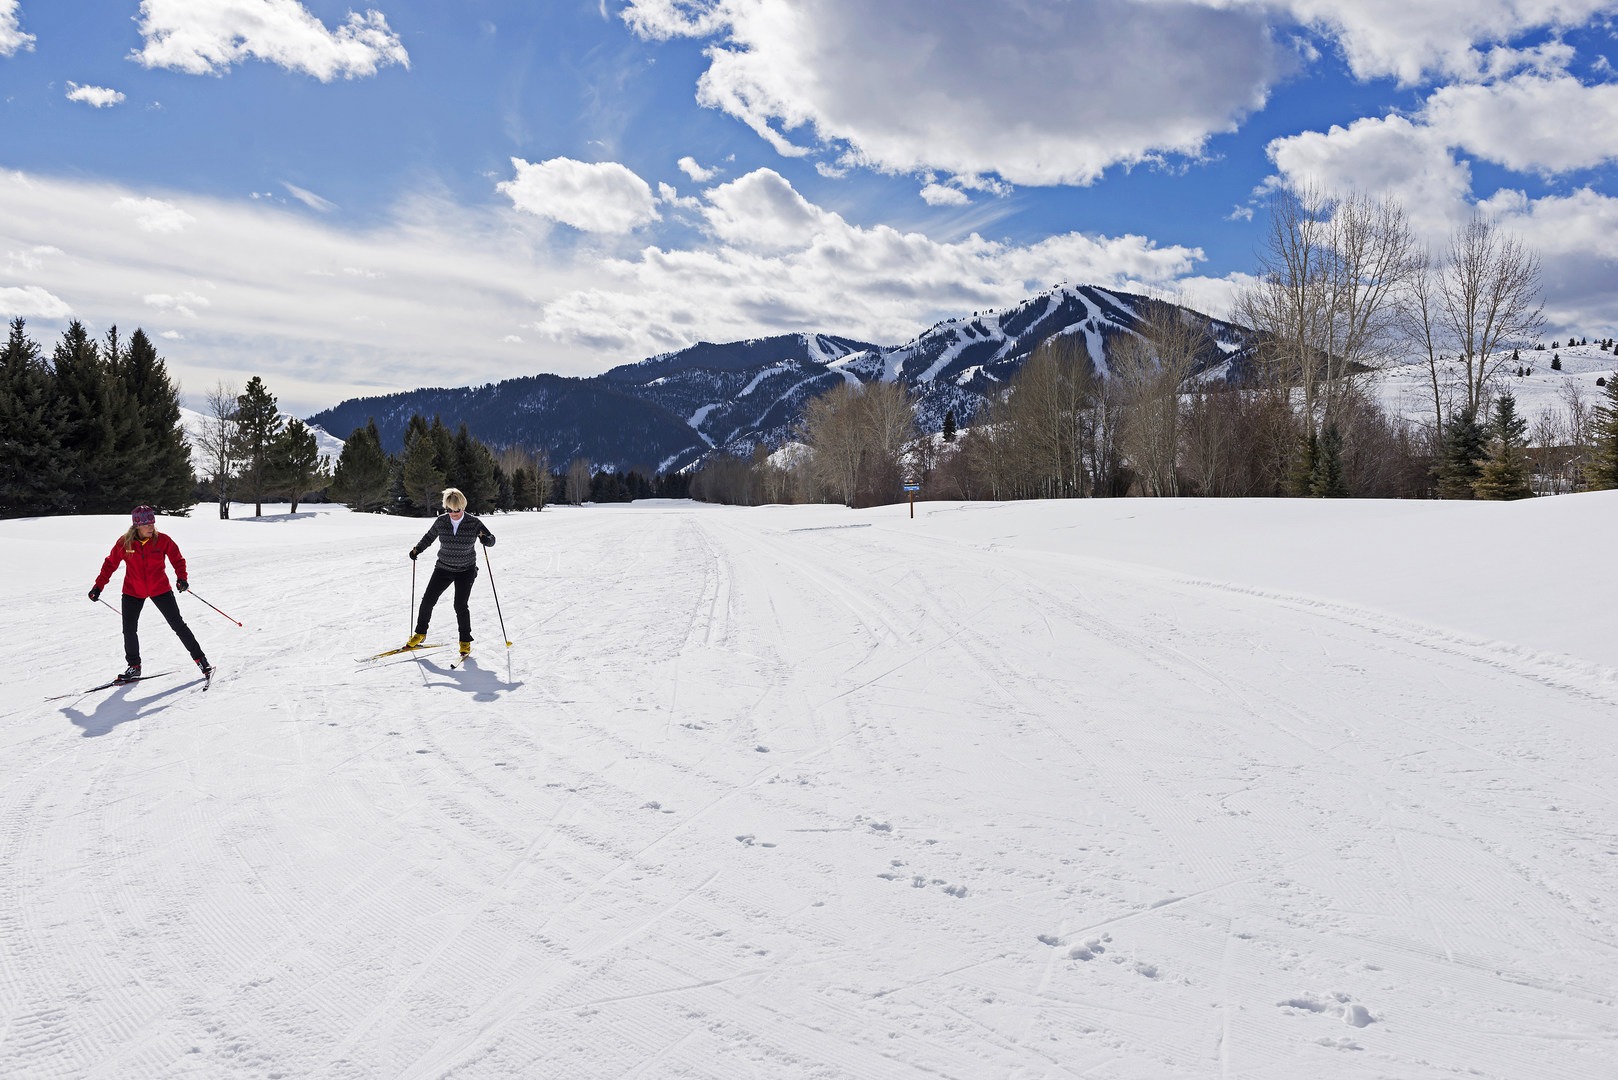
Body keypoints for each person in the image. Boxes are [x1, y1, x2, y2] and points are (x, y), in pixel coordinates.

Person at [90, 505, 213, 683]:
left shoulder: (162, 540)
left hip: (160, 588)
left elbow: (177, 559)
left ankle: (201, 660)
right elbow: (110, 564)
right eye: (147, 524)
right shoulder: (125, 543)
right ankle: (134, 667)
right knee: (129, 630)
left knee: (178, 625)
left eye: (152, 523)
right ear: (137, 526)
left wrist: (182, 578)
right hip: (133, 591)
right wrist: (98, 586)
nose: (151, 527)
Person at [405, 488, 495, 658]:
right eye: (449, 510)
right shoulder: (441, 522)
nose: (453, 513)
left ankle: (465, 641)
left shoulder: (474, 523)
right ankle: (420, 633)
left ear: (463, 507)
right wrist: (418, 549)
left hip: (466, 570)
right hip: (443, 568)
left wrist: (486, 540)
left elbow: (492, 540)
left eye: (457, 510)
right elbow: (429, 537)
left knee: (460, 605)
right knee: (428, 601)